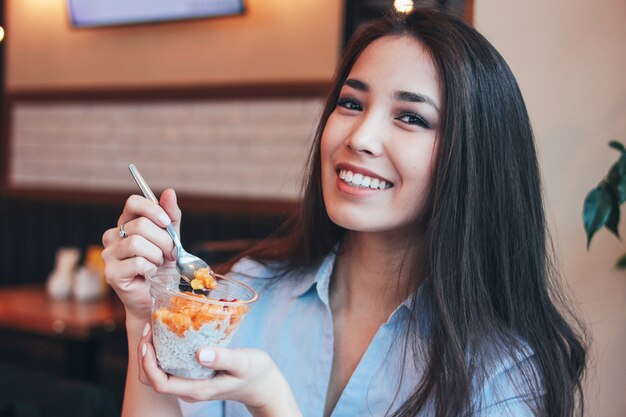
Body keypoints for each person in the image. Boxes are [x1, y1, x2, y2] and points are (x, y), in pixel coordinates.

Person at [102, 7, 588, 417]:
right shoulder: (251, 295)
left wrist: (272, 401)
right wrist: (146, 315)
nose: (359, 138)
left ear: (474, 157)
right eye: (351, 103)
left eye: (411, 117)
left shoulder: (502, 372)